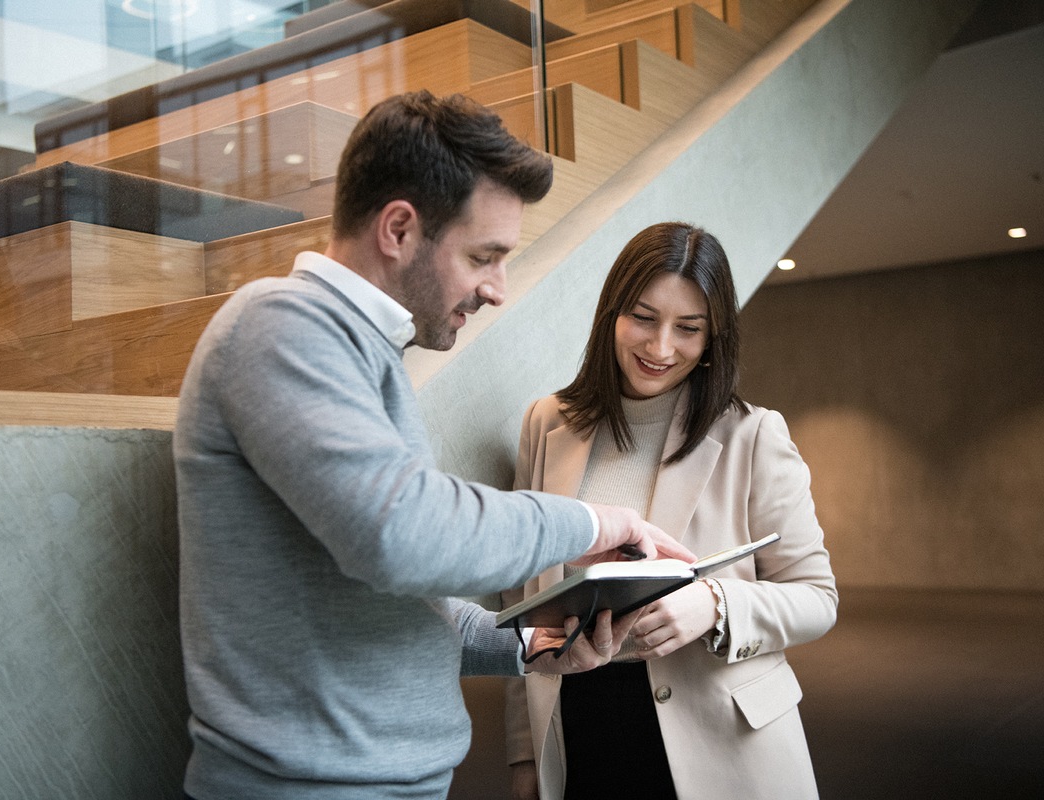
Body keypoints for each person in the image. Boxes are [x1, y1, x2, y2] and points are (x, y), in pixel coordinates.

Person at [173, 91, 694, 800]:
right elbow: (402, 534)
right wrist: (594, 524)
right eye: (484, 256)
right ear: (398, 229)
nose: (497, 288)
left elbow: (404, 589)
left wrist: (526, 646)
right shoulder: (280, 327)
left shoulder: (364, 353)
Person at [503, 221, 839, 800]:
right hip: (577, 725)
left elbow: (818, 597)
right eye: (643, 318)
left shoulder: (754, 435)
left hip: (720, 740)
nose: (660, 348)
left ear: (714, 339)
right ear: (612, 313)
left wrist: (715, 604)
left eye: (688, 329)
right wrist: (522, 754)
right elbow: (520, 600)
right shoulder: (546, 422)